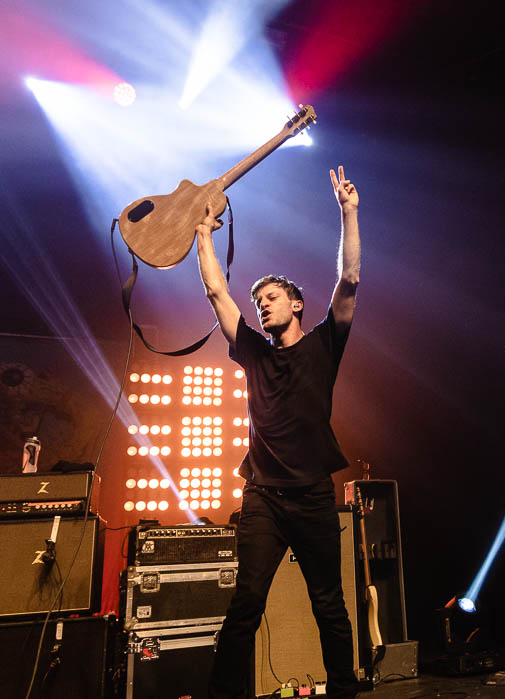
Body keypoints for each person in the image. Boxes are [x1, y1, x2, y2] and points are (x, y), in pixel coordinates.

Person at [196, 166, 361, 699]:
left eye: (272, 296)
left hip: (312, 496)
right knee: (246, 603)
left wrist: (348, 213)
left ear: (296, 304)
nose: (262, 304)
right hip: (263, 497)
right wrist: (202, 233)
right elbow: (217, 292)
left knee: (329, 605)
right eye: (259, 300)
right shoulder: (252, 352)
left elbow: (349, 281)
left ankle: (343, 690)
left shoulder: (324, 345)